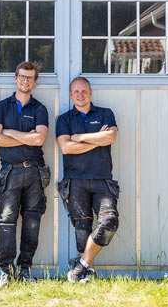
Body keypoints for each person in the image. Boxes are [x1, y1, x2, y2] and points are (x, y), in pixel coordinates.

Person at [0, 61, 50, 288]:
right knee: (6, 222)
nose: (25, 81)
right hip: (9, 172)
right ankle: (6, 271)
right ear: (15, 78)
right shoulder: (1, 107)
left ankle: (25, 269)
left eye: (30, 78)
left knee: (32, 220)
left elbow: (40, 139)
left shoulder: (40, 109)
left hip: (35, 171)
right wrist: (27, 136)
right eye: (22, 77)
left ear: (35, 81)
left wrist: (11, 132)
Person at [56, 76, 119, 283]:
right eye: (76, 92)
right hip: (75, 181)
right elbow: (66, 147)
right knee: (81, 228)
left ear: (90, 93)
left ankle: (81, 265)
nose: (80, 95)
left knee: (109, 222)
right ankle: (88, 273)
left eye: (84, 91)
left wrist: (80, 137)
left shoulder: (105, 113)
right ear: (70, 95)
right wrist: (96, 140)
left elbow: (110, 137)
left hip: (103, 180)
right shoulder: (64, 119)